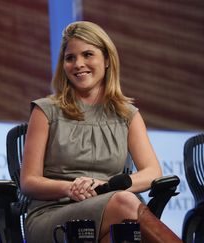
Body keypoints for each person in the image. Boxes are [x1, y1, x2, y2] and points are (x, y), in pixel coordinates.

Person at [20, 21, 181, 243]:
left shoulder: (127, 114)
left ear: (106, 60)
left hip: (114, 210)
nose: (78, 64)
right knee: (125, 204)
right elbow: (28, 181)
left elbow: (152, 172)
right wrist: (70, 188)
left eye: (87, 54)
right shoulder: (45, 110)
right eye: (70, 58)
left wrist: (107, 187)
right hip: (54, 214)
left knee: (120, 228)